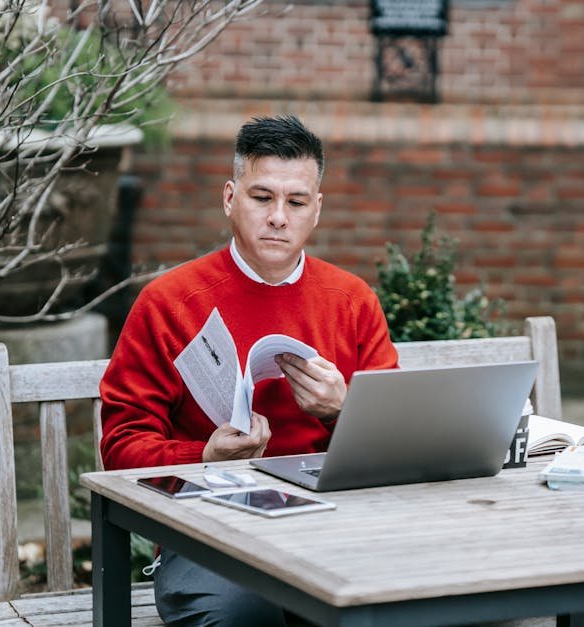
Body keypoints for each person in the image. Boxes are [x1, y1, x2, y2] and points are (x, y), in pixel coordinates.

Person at [99, 115, 399, 626]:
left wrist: (342, 410)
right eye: (262, 197)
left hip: (331, 524)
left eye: (296, 202)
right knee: (243, 616)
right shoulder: (169, 302)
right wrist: (203, 457)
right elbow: (121, 446)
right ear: (230, 198)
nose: (278, 217)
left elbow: (398, 447)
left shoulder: (352, 301)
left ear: (317, 210)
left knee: (418, 597)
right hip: (207, 531)